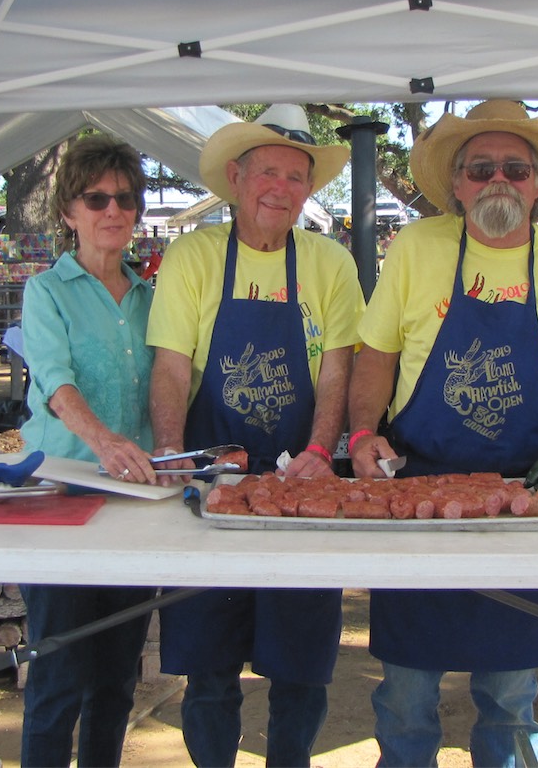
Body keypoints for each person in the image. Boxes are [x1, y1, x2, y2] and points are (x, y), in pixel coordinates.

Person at [346, 99, 538, 767]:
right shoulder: (416, 247)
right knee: (405, 695)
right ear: (456, 184)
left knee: (509, 699)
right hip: (417, 499)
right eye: (480, 169)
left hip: (525, 501)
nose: (497, 180)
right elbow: (376, 357)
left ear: (537, 184)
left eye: (514, 168)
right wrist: (360, 433)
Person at [146, 104, 361, 767]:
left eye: (296, 177)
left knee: (300, 668)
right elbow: (171, 367)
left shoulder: (329, 262)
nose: (280, 188)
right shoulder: (194, 255)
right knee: (209, 667)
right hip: (211, 488)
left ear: (309, 189)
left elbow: (337, 371)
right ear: (236, 178)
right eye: (267, 172)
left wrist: (321, 451)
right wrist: (173, 451)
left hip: (303, 490)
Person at [17, 135, 159, 768]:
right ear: (68, 211)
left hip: (135, 501)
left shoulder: (154, 299)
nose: (113, 210)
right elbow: (55, 383)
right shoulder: (46, 291)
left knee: (117, 676)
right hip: (61, 495)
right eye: (96, 198)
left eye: (125, 198)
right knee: (57, 674)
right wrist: (103, 440)